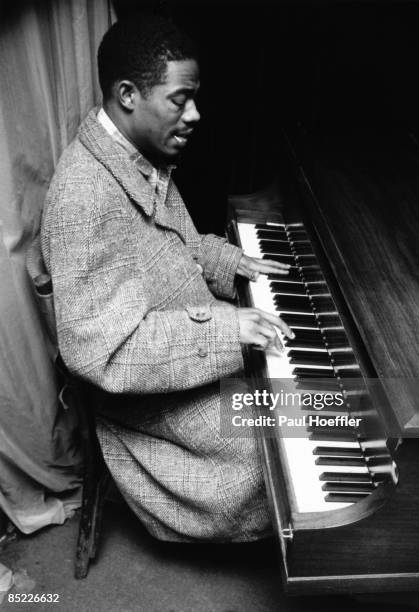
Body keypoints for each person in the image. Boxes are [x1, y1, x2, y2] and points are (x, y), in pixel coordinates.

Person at [40, 14, 293, 542]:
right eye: (181, 99)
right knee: (300, 435)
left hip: (186, 361)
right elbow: (99, 354)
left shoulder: (136, 154)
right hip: (147, 402)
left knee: (324, 402)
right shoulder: (82, 197)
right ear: (128, 94)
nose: (195, 114)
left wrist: (232, 263)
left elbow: (179, 246)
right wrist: (228, 331)